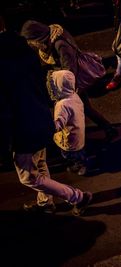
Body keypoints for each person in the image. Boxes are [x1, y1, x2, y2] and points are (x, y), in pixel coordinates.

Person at [0, 16, 92, 216]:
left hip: (23, 128)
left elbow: (4, 109)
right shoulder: (25, 51)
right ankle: (45, 202)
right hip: (39, 118)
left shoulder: (3, 61)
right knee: (39, 164)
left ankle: (77, 196)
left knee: (28, 177)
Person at [20, 20, 118, 141]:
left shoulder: (59, 44)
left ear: (37, 36)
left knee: (74, 109)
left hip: (71, 81)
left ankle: (89, 135)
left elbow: (70, 69)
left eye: (32, 41)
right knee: (83, 107)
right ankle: (106, 128)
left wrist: (67, 89)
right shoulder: (52, 36)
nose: (32, 45)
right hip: (67, 80)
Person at [47, 70, 87, 176]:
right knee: (79, 151)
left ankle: (81, 165)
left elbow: (59, 123)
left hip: (69, 136)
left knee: (69, 153)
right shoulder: (74, 95)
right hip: (78, 131)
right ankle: (81, 163)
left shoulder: (62, 105)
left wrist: (49, 127)